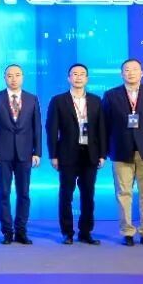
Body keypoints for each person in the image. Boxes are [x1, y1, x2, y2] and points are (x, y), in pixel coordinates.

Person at [103, 59, 143, 247]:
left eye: (134, 69)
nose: (130, 73)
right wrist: (105, 151)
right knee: (123, 193)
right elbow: (104, 125)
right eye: (126, 70)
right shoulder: (111, 95)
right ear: (121, 74)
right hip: (120, 151)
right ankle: (127, 232)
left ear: (142, 73)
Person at [45, 63, 107, 245]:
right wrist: (53, 155)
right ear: (69, 78)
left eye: (82, 74)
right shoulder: (58, 100)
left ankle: (86, 232)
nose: (78, 77)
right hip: (67, 154)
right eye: (74, 74)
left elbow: (102, 129)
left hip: (90, 153)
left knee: (88, 195)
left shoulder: (96, 100)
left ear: (87, 78)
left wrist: (102, 154)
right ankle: (67, 232)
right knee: (66, 195)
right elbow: (51, 129)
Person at [0, 64, 41, 245]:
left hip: (25, 153)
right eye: (10, 75)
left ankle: (21, 231)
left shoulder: (32, 99)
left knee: (24, 193)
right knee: (3, 193)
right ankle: (7, 232)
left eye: (17, 75)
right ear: (5, 78)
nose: (14, 79)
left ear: (22, 77)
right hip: (2, 153)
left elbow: (37, 127)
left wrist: (37, 151)